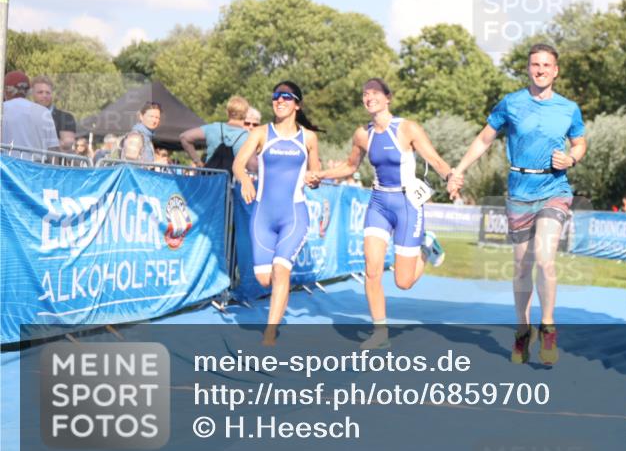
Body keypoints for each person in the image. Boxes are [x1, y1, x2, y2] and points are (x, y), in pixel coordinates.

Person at [449, 43, 586, 365]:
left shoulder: (569, 108)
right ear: (528, 69)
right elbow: (485, 138)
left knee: (544, 258)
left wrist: (571, 158)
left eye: (546, 65)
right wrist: (460, 169)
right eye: (535, 65)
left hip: (554, 187)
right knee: (522, 266)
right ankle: (523, 330)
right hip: (519, 192)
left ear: (555, 71)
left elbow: (579, 142)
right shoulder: (511, 103)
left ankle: (548, 326)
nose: (540, 70)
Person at [307, 78, 451, 350]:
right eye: (364, 94)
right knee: (372, 270)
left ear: (388, 98)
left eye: (374, 93)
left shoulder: (407, 128)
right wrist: (322, 174)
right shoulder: (362, 134)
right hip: (379, 203)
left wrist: (450, 176)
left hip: (408, 204)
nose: (369, 97)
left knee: (403, 282)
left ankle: (426, 247)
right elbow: (350, 166)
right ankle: (380, 332)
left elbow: (435, 160)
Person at [233, 81, 322, 346]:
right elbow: (239, 164)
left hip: (294, 215)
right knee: (264, 279)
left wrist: (314, 179)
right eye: (275, 96)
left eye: (286, 97)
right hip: (263, 215)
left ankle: (269, 333)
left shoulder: (308, 138)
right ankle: (278, 300)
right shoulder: (260, 133)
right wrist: (246, 180)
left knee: (281, 270)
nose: (279, 100)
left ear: (297, 104)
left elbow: (314, 174)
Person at [179, 95, 253, 170]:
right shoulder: (247, 136)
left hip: (208, 178)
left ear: (227, 112)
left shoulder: (214, 128)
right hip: (229, 180)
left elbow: (184, 137)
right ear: (246, 114)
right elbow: (251, 166)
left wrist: (198, 162)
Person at [1, 71, 59, 154]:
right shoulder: (44, 112)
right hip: (35, 166)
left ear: (6, 90)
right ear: (28, 91)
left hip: (6, 165)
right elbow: (53, 151)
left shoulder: (2, 108)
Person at [31, 75, 76, 152]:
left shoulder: (66, 117)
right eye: (40, 92)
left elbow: (67, 144)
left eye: (48, 93)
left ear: (52, 94)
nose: (44, 95)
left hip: (55, 163)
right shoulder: (26, 115)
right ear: (33, 94)